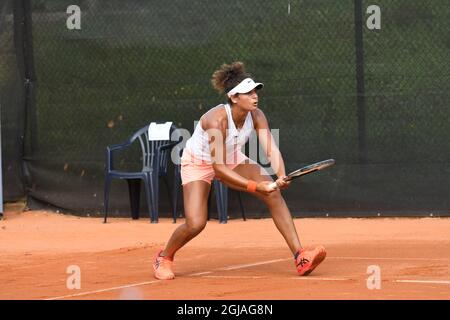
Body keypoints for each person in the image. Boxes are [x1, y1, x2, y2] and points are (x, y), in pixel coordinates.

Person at [153, 61, 326, 280]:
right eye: (249, 93)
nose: (255, 96)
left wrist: (281, 174)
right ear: (234, 97)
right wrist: (255, 186)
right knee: (196, 223)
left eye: (255, 91)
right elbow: (218, 169)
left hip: (231, 158)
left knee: (273, 193)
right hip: (199, 162)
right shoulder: (215, 120)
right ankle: (164, 256)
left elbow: (270, 148)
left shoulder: (257, 115)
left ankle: (300, 257)